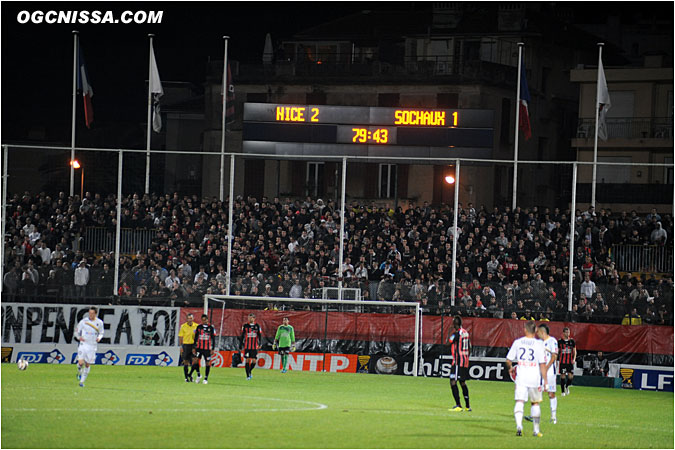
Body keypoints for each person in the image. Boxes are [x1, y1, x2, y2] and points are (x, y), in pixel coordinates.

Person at [505, 320, 548, 437]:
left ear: (524, 329)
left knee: (519, 401)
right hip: (534, 378)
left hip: (521, 378)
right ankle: (536, 430)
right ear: (535, 331)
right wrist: (546, 382)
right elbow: (542, 364)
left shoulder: (518, 342)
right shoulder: (539, 344)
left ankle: (519, 426)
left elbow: (508, 360)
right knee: (535, 404)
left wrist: (510, 368)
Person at [532, 324, 558, 424]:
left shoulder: (552, 341)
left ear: (542, 332)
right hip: (538, 372)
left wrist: (546, 368)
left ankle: (553, 416)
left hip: (549, 373)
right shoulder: (538, 343)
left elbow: (554, 356)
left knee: (551, 393)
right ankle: (534, 415)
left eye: (538, 332)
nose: (537, 334)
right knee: (537, 392)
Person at [75, 306, 104, 388]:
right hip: (83, 344)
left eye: (92, 313)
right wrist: (78, 337)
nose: (90, 315)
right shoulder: (83, 321)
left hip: (92, 346)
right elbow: (77, 331)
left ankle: (82, 381)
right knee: (81, 362)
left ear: (95, 313)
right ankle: (79, 370)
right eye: (89, 313)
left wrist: (99, 338)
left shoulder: (99, 322)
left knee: (87, 364)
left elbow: (101, 333)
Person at [447, 316, 471, 412]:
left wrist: (449, 332)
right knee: (462, 382)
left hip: (457, 361)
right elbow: (469, 346)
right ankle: (468, 406)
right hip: (465, 360)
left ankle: (458, 405)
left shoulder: (457, 334)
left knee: (453, 381)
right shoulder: (466, 332)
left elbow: (448, 343)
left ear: (455, 324)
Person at [193, 314, 216, 384]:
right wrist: (194, 347)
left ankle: (206, 378)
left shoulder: (211, 328)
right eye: (202, 320)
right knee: (196, 361)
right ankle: (199, 375)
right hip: (199, 348)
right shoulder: (199, 327)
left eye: (205, 320)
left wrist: (213, 348)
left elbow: (213, 339)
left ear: (207, 320)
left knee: (208, 363)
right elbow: (196, 337)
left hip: (207, 349)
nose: (203, 321)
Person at [241, 313, 263, 380]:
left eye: (251, 318)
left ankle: (249, 371)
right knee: (247, 360)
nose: (249, 319)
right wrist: (240, 345)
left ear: (254, 318)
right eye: (249, 318)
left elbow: (260, 335)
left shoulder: (257, 326)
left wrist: (260, 344)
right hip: (247, 346)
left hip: (254, 346)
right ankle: (248, 376)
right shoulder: (245, 326)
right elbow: (242, 335)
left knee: (254, 361)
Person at [178, 313, 198, 382]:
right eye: (188, 318)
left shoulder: (196, 326)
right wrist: (181, 346)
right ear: (187, 319)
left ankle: (190, 374)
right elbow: (180, 337)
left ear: (193, 318)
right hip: (186, 345)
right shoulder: (183, 326)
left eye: (191, 318)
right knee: (186, 362)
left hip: (193, 345)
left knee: (195, 361)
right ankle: (186, 377)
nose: (190, 319)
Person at [558, 327, 577, 396]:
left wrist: (574, 359)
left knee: (570, 376)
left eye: (568, 332)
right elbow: (558, 351)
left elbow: (575, 351)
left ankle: (567, 386)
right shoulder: (560, 341)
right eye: (566, 332)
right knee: (562, 376)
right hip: (562, 362)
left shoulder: (572, 341)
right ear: (563, 333)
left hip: (570, 362)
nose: (568, 333)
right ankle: (562, 392)